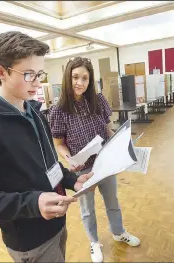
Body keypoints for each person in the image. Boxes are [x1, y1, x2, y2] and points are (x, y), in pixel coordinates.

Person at [0, 31, 93, 263]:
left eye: (40, 74)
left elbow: (48, 164)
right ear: (1, 72)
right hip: (29, 239)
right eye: (29, 74)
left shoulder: (34, 112)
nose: (38, 82)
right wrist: (33, 204)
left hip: (56, 222)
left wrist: (70, 180)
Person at [49, 57, 141, 263]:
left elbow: (107, 129)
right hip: (82, 170)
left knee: (113, 202)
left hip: (105, 164)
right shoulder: (59, 111)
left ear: (90, 81)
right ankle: (94, 242)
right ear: (67, 78)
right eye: (75, 77)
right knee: (87, 210)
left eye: (85, 78)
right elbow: (59, 143)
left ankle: (118, 232)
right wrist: (69, 158)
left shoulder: (98, 100)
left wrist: (118, 147)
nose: (79, 82)